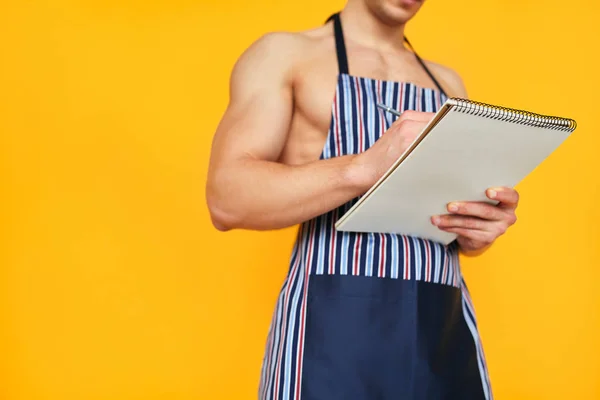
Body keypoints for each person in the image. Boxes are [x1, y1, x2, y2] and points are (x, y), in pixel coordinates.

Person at [206, 0, 519, 398]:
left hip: (441, 326)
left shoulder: (448, 85)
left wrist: (478, 227)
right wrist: (363, 168)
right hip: (331, 325)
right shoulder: (286, 55)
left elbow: (456, 224)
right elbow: (226, 198)